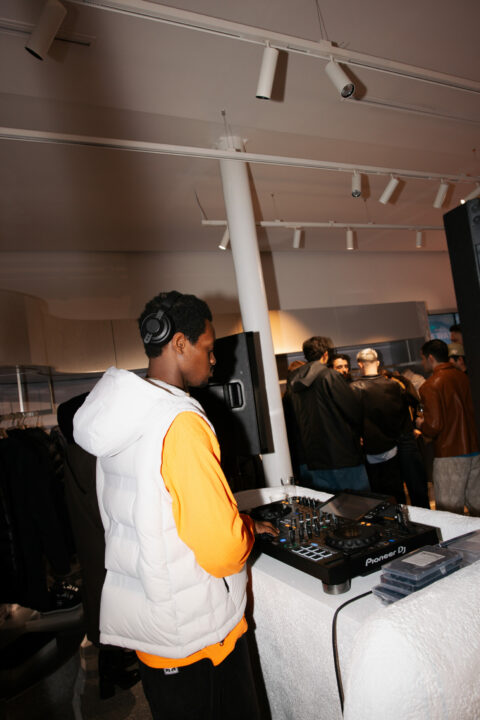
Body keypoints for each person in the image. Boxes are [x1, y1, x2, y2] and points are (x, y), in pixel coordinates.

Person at [73, 291, 277, 720]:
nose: (214, 360)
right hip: (202, 640)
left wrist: (239, 521)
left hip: (159, 634)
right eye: (209, 347)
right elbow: (223, 552)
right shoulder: (180, 424)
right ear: (179, 343)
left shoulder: (125, 416)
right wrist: (243, 530)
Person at [286, 336, 369, 493]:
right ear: (325, 354)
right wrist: (359, 434)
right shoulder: (330, 376)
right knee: (359, 503)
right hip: (342, 457)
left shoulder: (293, 382)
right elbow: (353, 411)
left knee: (327, 505)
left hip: (311, 459)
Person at [417, 339, 480, 515]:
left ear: (430, 358)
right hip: (475, 450)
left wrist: (421, 424)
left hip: (449, 454)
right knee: (477, 506)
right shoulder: (465, 378)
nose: (422, 362)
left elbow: (434, 426)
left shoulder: (430, 385)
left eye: (422, 358)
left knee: (450, 512)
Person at [351, 349, 406, 503]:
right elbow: (401, 415)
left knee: (376, 496)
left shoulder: (354, 388)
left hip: (368, 449)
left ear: (360, 364)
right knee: (396, 493)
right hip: (392, 446)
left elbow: (352, 419)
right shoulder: (393, 385)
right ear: (377, 362)